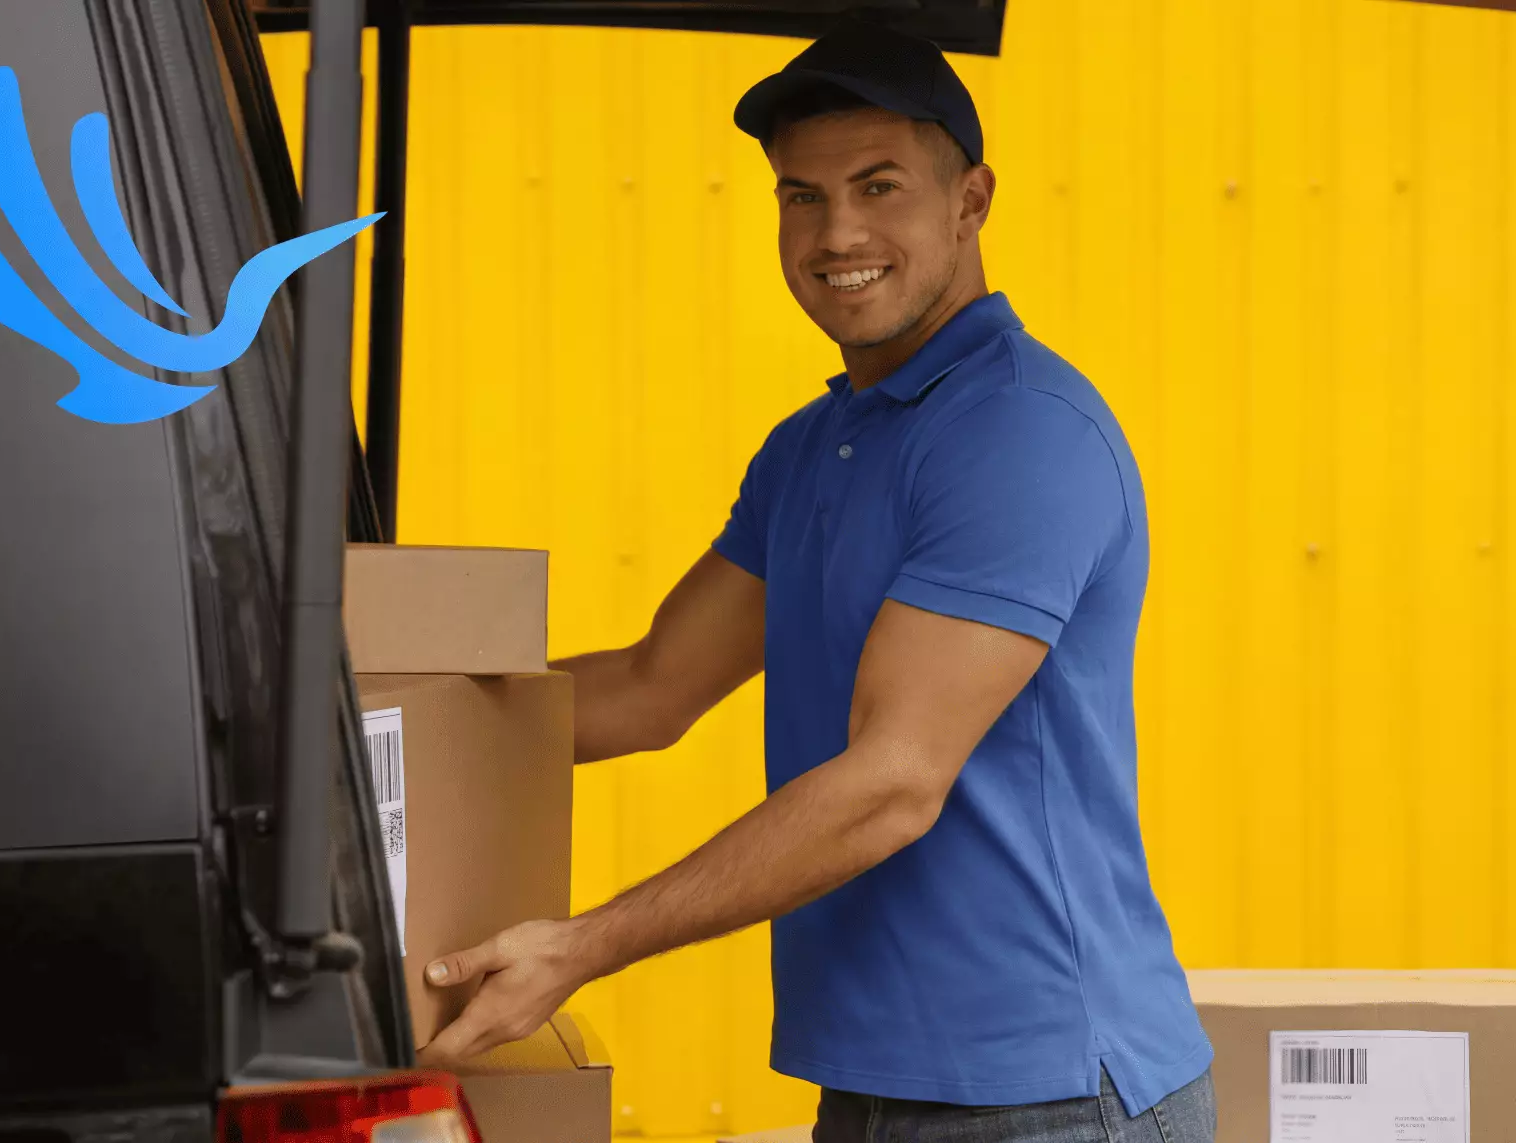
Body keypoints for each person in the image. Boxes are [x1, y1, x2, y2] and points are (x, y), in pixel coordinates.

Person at [416, 19, 1216, 1143]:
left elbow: (893, 783)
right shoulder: (811, 449)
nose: (838, 232)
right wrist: (365, 739)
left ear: (969, 199)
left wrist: (581, 944)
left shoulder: (1019, 434)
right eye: (802, 196)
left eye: (878, 186)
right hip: (873, 1080)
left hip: (1044, 1094)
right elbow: (650, 688)